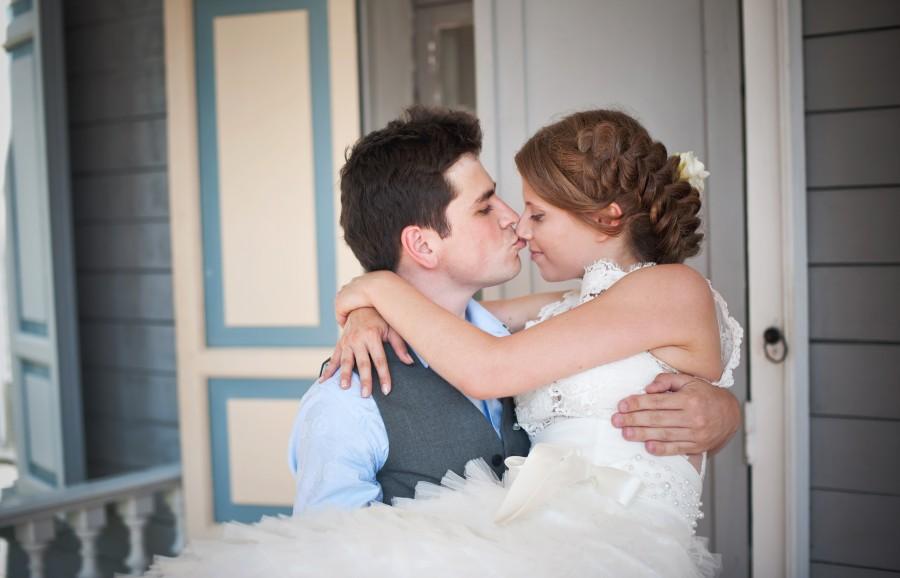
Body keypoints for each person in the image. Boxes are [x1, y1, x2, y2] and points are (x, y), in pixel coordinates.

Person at [146, 107, 740, 577]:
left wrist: (724, 411)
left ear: (607, 218)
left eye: (534, 212)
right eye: (490, 206)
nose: (514, 220)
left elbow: (493, 364)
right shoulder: (350, 400)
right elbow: (327, 558)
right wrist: (368, 309)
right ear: (424, 245)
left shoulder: (632, 301)